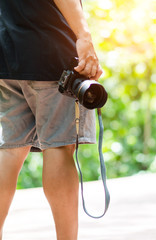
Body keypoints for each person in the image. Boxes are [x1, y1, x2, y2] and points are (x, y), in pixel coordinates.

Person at [0, 0, 102, 239]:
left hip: (6, 54)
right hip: (49, 50)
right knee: (59, 145)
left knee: (10, 150)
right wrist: (84, 37)